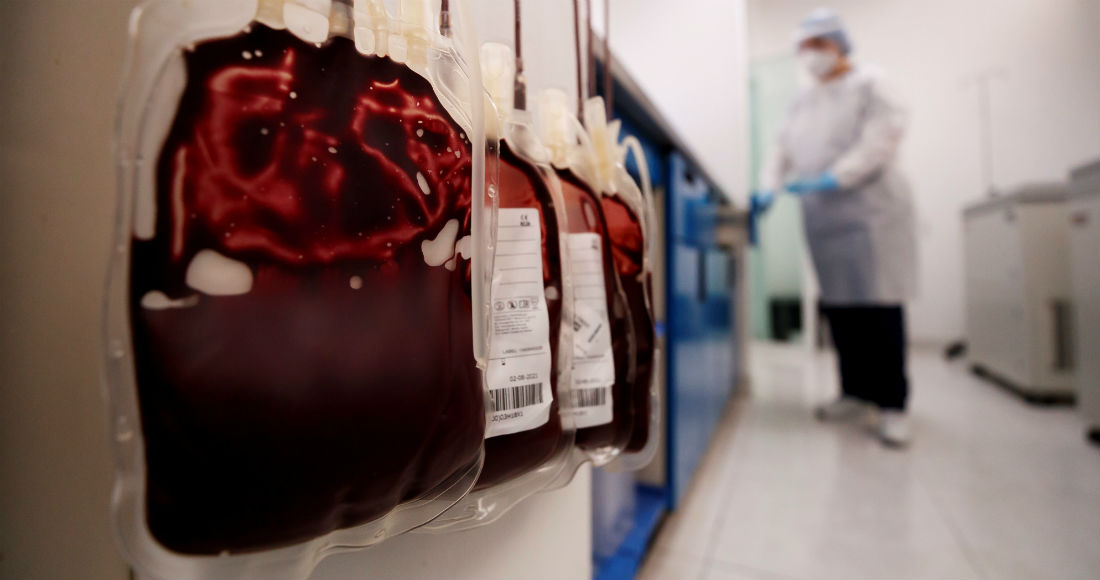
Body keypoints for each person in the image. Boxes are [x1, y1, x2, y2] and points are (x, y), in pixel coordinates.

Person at [754, 7, 917, 447]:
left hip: (871, 213)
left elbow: (883, 137)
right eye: (804, 48)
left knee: (878, 306)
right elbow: (779, 150)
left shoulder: (871, 82)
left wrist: (835, 176)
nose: (811, 56)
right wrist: (768, 187)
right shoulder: (803, 100)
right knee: (841, 307)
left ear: (840, 45)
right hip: (824, 217)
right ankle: (855, 391)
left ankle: (893, 405)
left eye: (818, 46)